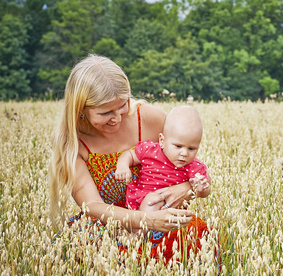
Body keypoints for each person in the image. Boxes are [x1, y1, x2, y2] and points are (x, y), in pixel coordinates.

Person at [48, 54, 212, 262]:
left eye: (123, 105)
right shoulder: (70, 142)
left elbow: (187, 162)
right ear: (81, 109)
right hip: (106, 225)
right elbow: (91, 205)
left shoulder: (150, 118)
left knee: (198, 241)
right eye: (106, 112)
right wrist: (148, 221)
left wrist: (183, 189)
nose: (117, 118)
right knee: (82, 254)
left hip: (162, 214)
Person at [115, 106, 211, 217]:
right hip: (141, 200)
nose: (184, 153)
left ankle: (138, 232)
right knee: (152, 200)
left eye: (191, 149)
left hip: (171, 208)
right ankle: (137, 233)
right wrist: (122, 165)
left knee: (155, 200)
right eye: (178, 146)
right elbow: (130, 155)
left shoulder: (193, 166)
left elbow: (204, 193)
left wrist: (202, 188)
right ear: (162, 140)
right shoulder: (150, 150)